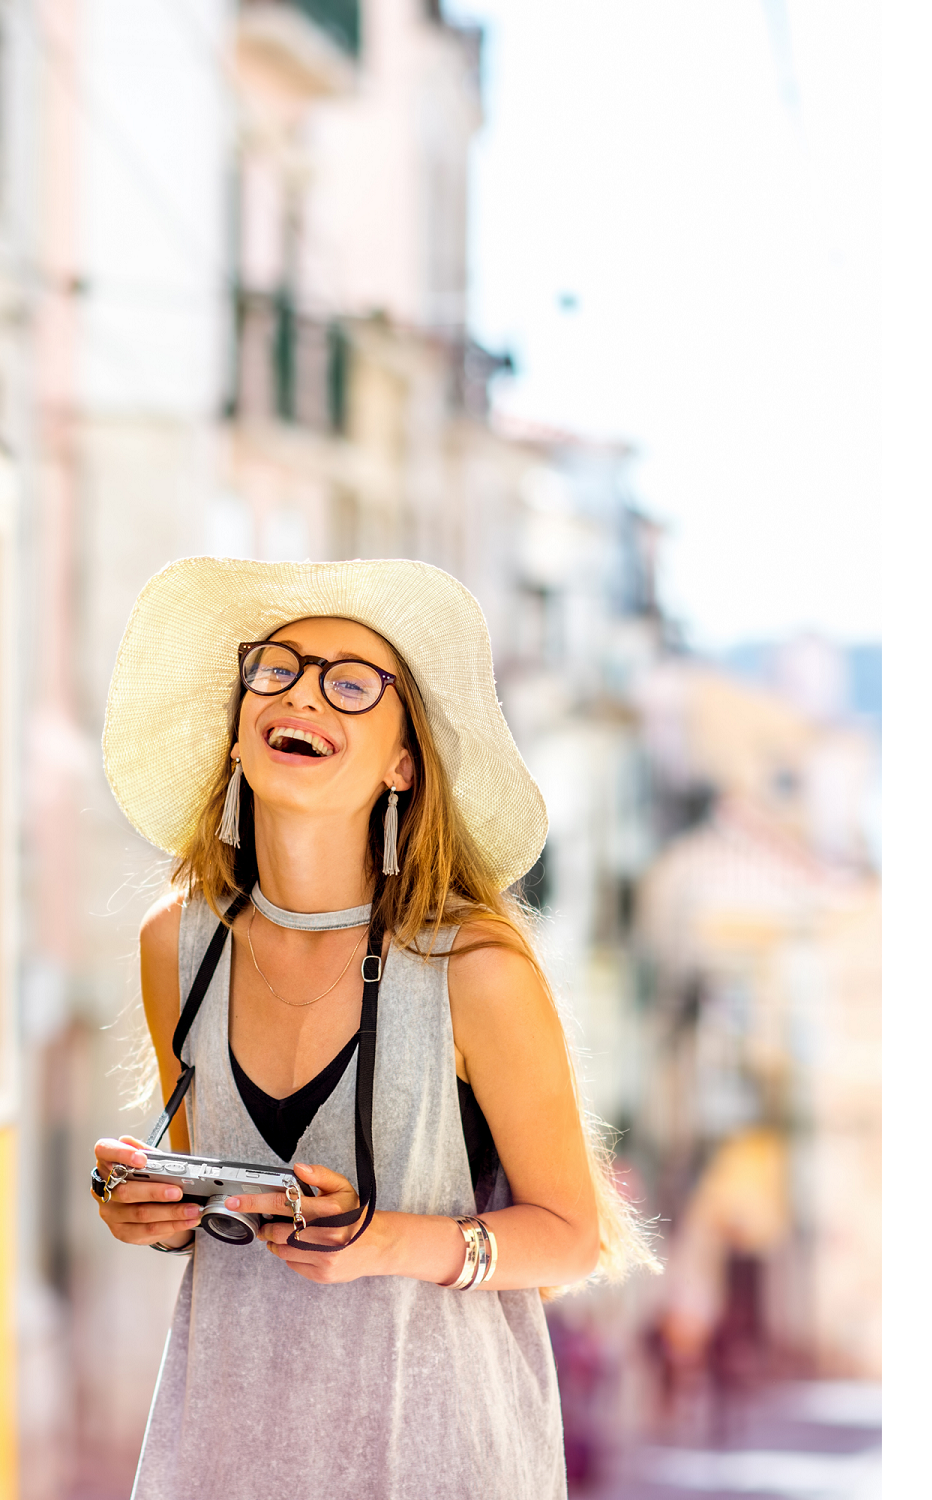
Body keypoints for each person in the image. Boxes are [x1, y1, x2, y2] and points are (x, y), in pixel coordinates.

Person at [93, 558, 654, 1499]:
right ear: (238, 732)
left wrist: (382, 1242)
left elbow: (570, 1236)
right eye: (276, 668)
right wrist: (148, 1213)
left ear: (403, 763)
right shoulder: (176, 945)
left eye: (351, 684)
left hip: (440, 1455)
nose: (303, 693)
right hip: (229, 1449)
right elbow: (212, 1208)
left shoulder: (474, 970)